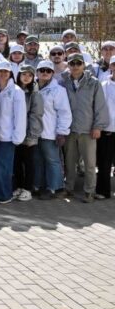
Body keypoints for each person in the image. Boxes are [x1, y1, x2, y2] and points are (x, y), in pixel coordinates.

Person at [60, 53, 110, 202]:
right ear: (68, 65)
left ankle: (89, 191)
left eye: (78, 63)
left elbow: (100, 107)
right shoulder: (64, 83)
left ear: (83, 65)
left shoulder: (93, 83)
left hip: (88, 130)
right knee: (69, 162)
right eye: (72, 63)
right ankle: (68, 188)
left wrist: (98, 127)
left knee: (89, 163)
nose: (75, 66)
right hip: (69, 130)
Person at [34, 60, 72, 200]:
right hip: (35, 133)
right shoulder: (32, 88)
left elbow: (64, 112)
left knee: (52, 161)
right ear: (37, 72)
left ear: (52, 73)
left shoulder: (58, 90)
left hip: (50, 133)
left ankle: (54, 188)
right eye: (42, 70)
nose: (44, 73)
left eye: (48, 71)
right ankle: (39, 185)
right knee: (37, 160)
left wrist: (62, 132)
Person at [0, 62, 27, 204]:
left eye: (6, 71)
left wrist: (17, 137)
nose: (3, 74)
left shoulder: (17, 91)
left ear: (11, 73)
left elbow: (20, 116)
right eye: (0, 71)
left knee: (3, 167)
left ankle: (5, 194)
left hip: (8, 136)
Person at [12, 65, 43, 202]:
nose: (26, 77)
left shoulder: (35, 94)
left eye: (29, 75)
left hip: (28, 133)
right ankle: (18, 186)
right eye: (23, 74)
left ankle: (27, 189)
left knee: (29, 162)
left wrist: (32, 135)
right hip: (14, 133)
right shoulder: (13, 90)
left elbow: (36, 115)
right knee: (16, 162)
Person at [96, 56, 115, 199]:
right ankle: (103, 191)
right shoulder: (103, 85)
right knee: (104, 163)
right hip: (107, 130)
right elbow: (98, 107)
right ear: (111, 67)